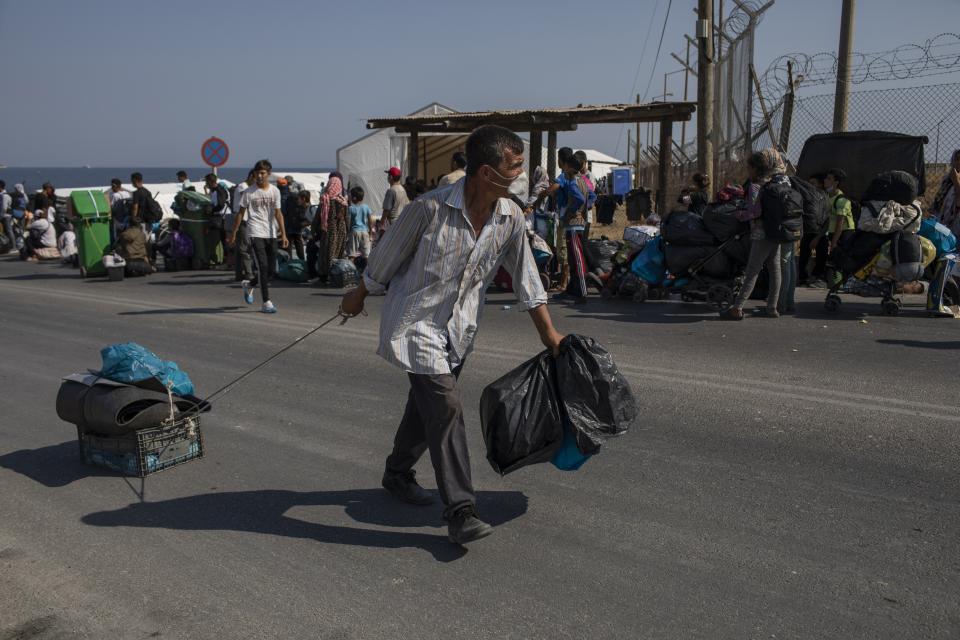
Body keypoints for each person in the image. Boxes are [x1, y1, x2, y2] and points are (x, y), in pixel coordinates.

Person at [340, 125, 564, 545]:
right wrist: (358, 294)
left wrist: (549, 335)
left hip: (459, 329)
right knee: (445, 407)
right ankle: (461, 509)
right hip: (415, 325)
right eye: (513, 166)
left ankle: (397, 471)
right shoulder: (427, 210)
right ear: (485, 172)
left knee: (424, 409)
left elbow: (526, 279)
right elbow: (385, 260)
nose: (520, 174)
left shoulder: (510, 216)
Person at [720, 149, 787, 320]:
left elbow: (755, 212)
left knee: (752, 270)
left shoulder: (756, 186)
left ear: (756, 169)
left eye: (749, 168)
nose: (747, 171)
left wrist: (740, 215)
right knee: (774, 268)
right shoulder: (776, 182)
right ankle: (772, 307)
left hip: (761, 233)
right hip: (776, 231)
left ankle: (737, 307)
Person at [228, 159, 289, 314]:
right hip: (255, 232)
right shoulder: (248, 192)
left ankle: (249, 285)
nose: (260, 176)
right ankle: (266, 302)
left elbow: (278, 213)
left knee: (271, 271)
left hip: (271, 232)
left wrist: (284, 234)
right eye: (257, 173)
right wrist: (233, 234)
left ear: (268, 174)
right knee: (262, 266)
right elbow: (240, 214)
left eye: (263, 173)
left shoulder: (274, 191)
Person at [556, 154, 595, 304]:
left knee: (577, 259)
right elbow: (592, 196)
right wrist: (586, 207)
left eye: (565, 165)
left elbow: (578, 199)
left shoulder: (572, 182)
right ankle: (572, 290)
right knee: (573, 258)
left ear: (569, 167)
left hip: (573, 224)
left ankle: (582, 292)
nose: (563, 168)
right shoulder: (584, 180)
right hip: (580, 223)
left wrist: (571, 212)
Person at [316, 172, 349, 283]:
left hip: (328, 232)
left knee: (326, 253)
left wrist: (314, 229)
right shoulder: (343, 201)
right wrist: (347, 230)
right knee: (338, 253)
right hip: (340, 232)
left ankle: (325, 275)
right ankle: (336, 275)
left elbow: (317, 217)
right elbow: (347, 218)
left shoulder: (325, 199)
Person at [798, 173, 829, 287]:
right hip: (806, 232)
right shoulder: (807, 197)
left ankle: (818, 278)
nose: (810, 186)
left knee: (822, 255)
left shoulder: (825, 198)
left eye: (813, 183)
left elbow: (827, 219)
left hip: (819, 233)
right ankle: (803, 279)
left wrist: (818, 237)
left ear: (820, 185)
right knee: (803, 258)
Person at [230, 170, 256, 282]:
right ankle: (248, 273)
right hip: (242, 219)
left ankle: (239, 273)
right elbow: (247, 198)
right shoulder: (242, 186)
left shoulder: (247, 187)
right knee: (244, 247)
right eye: (256, 178)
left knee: (240, 247)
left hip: (246, 219)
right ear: (251, 176)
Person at [824, 168, 854, 256]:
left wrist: (833, 243)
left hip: (844, 235)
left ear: (836, 182)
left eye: (829, 178)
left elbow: (839, 225)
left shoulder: (841, 200)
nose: (825, 180)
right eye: (826, 178)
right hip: (833, 233)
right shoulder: (828, 196)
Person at [933, 149, 960, 238]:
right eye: (957, 159)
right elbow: (940, 198)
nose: (959, 162)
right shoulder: (947, 179)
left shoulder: (954, 178)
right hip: (943, 217)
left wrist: (956, 181)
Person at [205, 173, 230, 261]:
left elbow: (220, 205)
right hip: (222, 217)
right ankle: (225, 260)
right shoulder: (216, 190)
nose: (206, 184)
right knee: (223, 240)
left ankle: (227, 261)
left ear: (210, 182)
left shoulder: (218, 191)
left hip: (223, 218)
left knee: (224, 240)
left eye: (206, 182)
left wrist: (212, 210)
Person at [346, 186, 373, 266]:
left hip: (354, 231)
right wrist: (370, 232)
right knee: (366, 255)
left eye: (350, 195)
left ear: (354, 198)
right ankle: (368, 271)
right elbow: (370, 220)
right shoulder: (366, 207)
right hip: (365, 232)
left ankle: (350, 272)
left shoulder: (351, 208)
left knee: (352, 255)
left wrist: (348, 231)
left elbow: (348, 222)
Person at [380, 166, 409, 236]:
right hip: (402, 221)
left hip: (393, 223)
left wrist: (381, 222)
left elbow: (386, 210)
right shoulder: (402, 189)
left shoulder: (391, 191)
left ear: (391, 177)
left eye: (388, 175)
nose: (387, 177)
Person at [0, 181, 17, 253]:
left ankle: (14, 247)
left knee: (9, 231)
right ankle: (7, 246)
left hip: (5, 216)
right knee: (6, 231)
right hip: (4, 215)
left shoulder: (5, 196)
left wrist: (0, 215)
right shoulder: (3, 195)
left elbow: (4, 207)